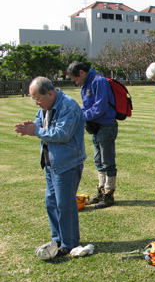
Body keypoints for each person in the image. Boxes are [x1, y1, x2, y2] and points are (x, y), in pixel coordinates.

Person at [14, 77, 86, 256]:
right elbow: (40, 122)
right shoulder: (46, 107)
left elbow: (63, 133)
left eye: (38, 99)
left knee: (65, 204)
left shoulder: (68, 105)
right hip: (50, 162)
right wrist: (32, 126)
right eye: (33, 99)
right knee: (51, 202)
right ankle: (57, 240)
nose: (36, 103)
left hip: (67, 163)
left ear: (50, 93)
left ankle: (69, 243)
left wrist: (36, 131)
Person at [68, 61, 118, 209]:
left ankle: (109, 194)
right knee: (98, 160)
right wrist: (79, 112)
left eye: (76, 79)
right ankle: (101, 191)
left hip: (106, 125)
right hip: (95, 126)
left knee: (108, 161)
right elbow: (89, 106)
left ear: (82, 73)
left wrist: (82, 116)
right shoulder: (87, 83)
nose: (76, 82)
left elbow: (100, 107)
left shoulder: (99, 81)